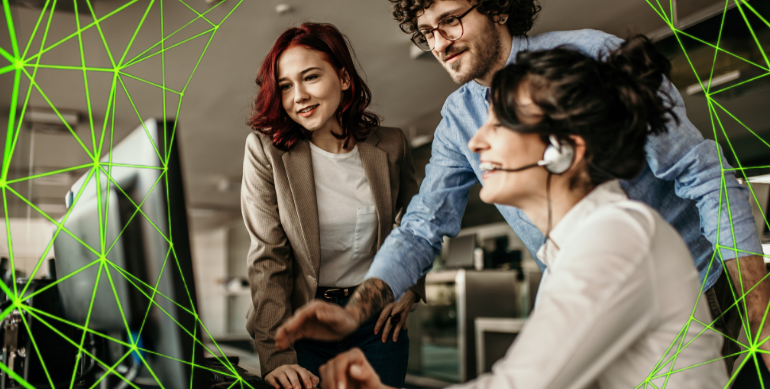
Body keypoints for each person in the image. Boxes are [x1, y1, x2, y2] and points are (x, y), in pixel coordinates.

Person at [274, 0, 770, 375]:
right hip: (591, 290)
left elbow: (705, 175)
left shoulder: (589, 57)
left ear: (497, 7)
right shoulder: (459, 115)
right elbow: (422, 225)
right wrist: (354, 313)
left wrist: (759, 309)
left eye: (451, 19)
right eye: (427, 32)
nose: (440, 42)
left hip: (706, 287)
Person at [242, 22, 425, 389]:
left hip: (377, 323)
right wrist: (275, 356)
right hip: (303, 326)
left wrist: (411, 288)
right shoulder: (267, 152)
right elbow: (269, 257)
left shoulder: (391, 146)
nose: (298, 96)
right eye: (285, 86)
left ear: (343, 78)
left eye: (310, 77)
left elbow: (417, 227)